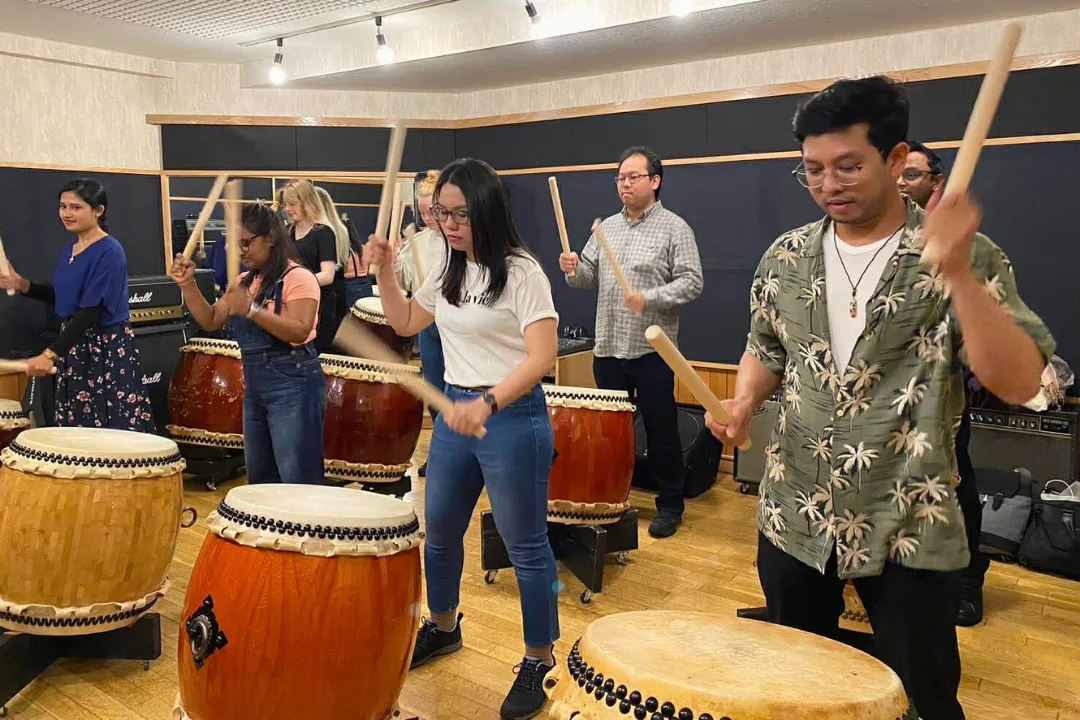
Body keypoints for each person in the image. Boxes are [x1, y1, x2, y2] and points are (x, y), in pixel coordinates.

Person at [705, 77, 1054, 720]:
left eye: (847, 166)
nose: (828, 184)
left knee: (921, 694)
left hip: (907, 518)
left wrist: (961, 280)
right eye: (811, 170)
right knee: (795, 683)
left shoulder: (968, 255)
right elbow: (767, 348)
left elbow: (1022, 382)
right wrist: (744, 401)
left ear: (896, 162)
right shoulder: (785, 257)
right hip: (796, 510)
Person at [365, 158, 560, 720]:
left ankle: (538, 657)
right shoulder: (448, 267)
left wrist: (489, 401)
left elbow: (543, 357)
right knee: (441, 533)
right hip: (456, 410)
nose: (447, 224)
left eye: (458, 214)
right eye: (439, 213)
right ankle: (444, 624)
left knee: (526, 547)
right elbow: (404, 322)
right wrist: (383, 272)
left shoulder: (523, 272)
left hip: (509, 415)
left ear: (487, 210)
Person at [559, 146, 703, 538]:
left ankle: (670, 505)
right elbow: (587, 277)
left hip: (652, 351)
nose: (625, 183)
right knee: (611, 433)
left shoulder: (675, 228)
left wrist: (650, 297)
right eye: (620, 177)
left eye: (633, 176)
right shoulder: (606, 227)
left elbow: (693, 282)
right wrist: (573, 269)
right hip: (608, 347)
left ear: (655, 182)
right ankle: (613, 500)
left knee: (661, 431)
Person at [169, 202, 326, 484]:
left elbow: (299, 331)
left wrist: (253, 310)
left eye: (247, 243)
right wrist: (188, 285)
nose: (240, 251)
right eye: (235, 244)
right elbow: (211, 320)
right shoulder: (243, 281)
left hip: (294, 381)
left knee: (297, 479)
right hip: (255, 386)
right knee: (260, 478)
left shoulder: (299, 277)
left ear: (271, 238)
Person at [900, 140, 989, 626]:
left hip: (943, 392)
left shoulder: (961, 243)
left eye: (912, 175)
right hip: (889, 396)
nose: (901, 184)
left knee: (956, 485)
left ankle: (969, 582)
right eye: (896, 174)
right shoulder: (881, 239)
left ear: (937, 182)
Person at [0, 179, 154, 431]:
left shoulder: (109, 251)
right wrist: (22, 284)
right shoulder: (72, 249)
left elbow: (90, 312)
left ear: (98, 211)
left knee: (108, 424)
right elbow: (64, 298)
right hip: (74, 345)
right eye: (63, 206)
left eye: (76, 207)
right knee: (76, 427)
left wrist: (49, 354)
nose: (67, 214)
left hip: (104, 348)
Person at [396, 170, 449, 477]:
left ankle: (455, 454)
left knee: (456, 390)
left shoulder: (459, 241)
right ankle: (440, 455)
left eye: (434, 211)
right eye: (424, 212)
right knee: (434, 389)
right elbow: (406, 282)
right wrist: (391, 265)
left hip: (456, 326)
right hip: (429, 326)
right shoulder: (418, 242)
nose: (429, 217)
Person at [282, 179, 348, 352]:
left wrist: (296, 284)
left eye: (292, 204)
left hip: (320, 305)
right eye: (286, 204)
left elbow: (327, 275)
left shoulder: (323, 232)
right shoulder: (288, 232)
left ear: (306, 202)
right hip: (295, 304)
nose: (287, 209)